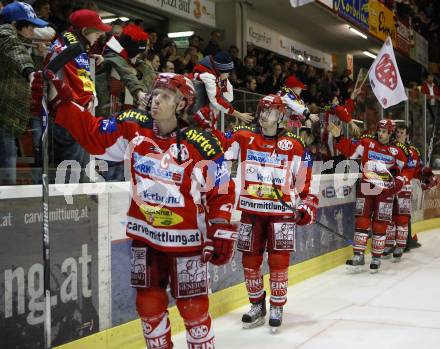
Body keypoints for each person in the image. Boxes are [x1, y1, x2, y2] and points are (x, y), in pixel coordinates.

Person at [34, 72, 237, 348]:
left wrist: (222, 226)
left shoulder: (201, 143)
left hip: (188, 241)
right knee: (148, 306)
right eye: (155, 94)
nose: (155, 101)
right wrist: (63, 101)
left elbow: (221, 188)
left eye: (165, 96)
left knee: (193, 308)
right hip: (146, 238)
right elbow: (93, 136)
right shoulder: (133, 127)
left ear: (181, 104)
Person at [224, 94, 318, 331]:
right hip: (251, 211)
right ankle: (257, 305)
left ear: (281, 116)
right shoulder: (243, 137)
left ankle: (277, 305)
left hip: (281, 213)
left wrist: (306, 205)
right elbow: (219, 156)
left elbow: (305, 182)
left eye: (270, 112)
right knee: (250, 260)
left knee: (278, 261)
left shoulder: (294, 145)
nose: (264, 116)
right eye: (262, 111)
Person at [328, 119, 409, 273]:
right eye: (379, 130)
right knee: (362, 221)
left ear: (390, 133)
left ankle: (376, 257)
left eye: (384, 131)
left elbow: (406, 169)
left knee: (380, 224)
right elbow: (349, 150)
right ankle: (359, 256)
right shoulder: (366, 143)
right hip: (366, 186)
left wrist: (399, 181)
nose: (381, 133)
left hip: (385, 191)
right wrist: (339, 138)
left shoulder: (396, 150)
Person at [44, 9, 111, 182]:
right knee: (72, 176)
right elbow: (74, 82)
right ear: (84, 31)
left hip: (64, 115)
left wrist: (89, 57)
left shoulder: (67, 41)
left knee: (71, 172)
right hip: (71, 116)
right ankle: (67, 209)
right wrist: (86, 102)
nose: (100, 35)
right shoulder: (75, 48)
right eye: (97, 32)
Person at [0, 1, 48, 185]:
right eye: (30, 26)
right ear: (14, 25)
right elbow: (16, 52)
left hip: (10, 118)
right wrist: (29, 71)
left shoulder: (21, 42)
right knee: (8, 177)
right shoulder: (4, 34)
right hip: (4, 117)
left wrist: (36, 57)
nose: (33, 31)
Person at [95, 23, 149, 116]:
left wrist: (137, 72)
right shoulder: (112, 56)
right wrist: (138, 92)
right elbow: (127, 73)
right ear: (130, 49)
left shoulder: (128, 58)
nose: (139, 56)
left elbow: (150, 73)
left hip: (117, 105)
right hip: (105, 106)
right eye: (138, 53)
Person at [192, 51, 253, 128]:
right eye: (227, 72)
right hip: (197, 117)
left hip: (207, 116)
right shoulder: (207, 76)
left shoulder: (218, 75)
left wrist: (223, 80)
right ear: (221, 70)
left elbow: (229, 97)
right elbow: (216, 100)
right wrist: (239, 115)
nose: (229, 74)